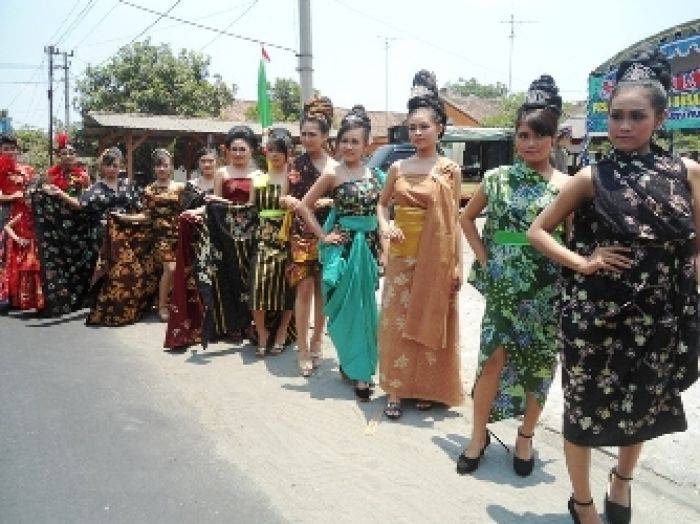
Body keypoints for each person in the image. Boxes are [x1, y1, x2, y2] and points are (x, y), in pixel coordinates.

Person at [528, 50, 699, 524]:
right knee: (583, 410)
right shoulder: (590, 176)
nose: (623, 126)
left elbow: (697, 244)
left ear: (660, 118)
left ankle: (621, 483)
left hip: (656, 317)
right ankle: (582, 502)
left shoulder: (687, 174)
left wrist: (687, 291)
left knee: (642, 404)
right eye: (616, 116)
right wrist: (584, 262)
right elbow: (537, 232)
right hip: (592, 316)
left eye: (636, 116)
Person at [456, 75, 570, 476]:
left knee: (540, 363)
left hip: (547, 289)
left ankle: (525, 437)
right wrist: (486, 260)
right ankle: (477, 434)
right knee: (491, 360)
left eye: (540, 135)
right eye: (523, 134)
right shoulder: (496, 178)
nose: (530, 143)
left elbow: (571, 240)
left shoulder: (568, 187)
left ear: (554, 139)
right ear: (515, 138)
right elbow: (466, 218)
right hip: (503, 284)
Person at [377, 70, 463, 419]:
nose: (417, 133)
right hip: (401, 255)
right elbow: (382, 205)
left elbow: (453, 221)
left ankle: (428, 388)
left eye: (423, 127)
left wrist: (457, 264)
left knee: (430, 319)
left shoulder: (448, 170)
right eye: (411, 128)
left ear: (439, 128)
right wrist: (386, 227)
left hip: (436, 258)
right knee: (396, 321)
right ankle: (395, 389)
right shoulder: (397, 167)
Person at [295, 106, 386, 393]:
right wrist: (323, 236)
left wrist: (385, 251)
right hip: (344, 250)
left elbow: (383, 214)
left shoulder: (378, 175)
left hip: (368, 250)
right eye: (344, 141)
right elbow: (303, 207)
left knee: (366, 310)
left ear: (366, 144)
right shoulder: (333, 174)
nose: (348, 146)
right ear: (337, 143)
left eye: (355, 142)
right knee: (346, 312)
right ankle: (358, 372)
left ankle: (356, 367)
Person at [86, 149, 180, 326]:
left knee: (164, 272)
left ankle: (169, 302)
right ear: (154, 169)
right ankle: (162, 307)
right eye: (158, 165)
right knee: (170, 269)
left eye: (165, 165)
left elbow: (187, 210)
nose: (161, 168)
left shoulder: (180, 188)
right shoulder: (148, 190)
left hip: (178, 235)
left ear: (171, 167)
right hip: (158, 237)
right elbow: (145, 215)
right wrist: (123, 218)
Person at [281, 96, 337, 372]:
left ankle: (317, 340)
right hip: (301, 234)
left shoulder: (335, 167)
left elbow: (343, 200)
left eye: (312, 134)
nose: (306, 139)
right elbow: (285, 198)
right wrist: (291, 202)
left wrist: (326, 203)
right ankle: (302, 348)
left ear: (326, 136)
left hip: (328, 233)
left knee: (322, 290)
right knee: (303, 289)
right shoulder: (296, 165)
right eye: (302, 134)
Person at [201, 126, 260, 347]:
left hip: (251, 235)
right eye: (233, 149)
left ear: (251, 150)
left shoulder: (258, 175)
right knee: (227, 277)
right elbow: (214, 203)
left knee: (249, 278)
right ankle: (231, 325)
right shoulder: (221, 173)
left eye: (242, 149)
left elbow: (255, 206)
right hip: (225, 236)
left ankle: (251, 323)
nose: (237, 153)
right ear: (227, 151)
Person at [32, 133, 94, 316]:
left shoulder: (83, 176)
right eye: (64, 152)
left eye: (71, 152)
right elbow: (39, 194)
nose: (68, 155)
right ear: (59, 155)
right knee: (58, 263)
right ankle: (60, 300)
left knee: (81, 263)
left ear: (76, 156)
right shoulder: (49, 175)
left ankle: (81, 299)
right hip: (56, 227)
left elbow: (87, 200)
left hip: (79, 226)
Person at [164, 146, 217, 350]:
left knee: (216, 281)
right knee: (195, 282)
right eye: (203, 161)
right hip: (195, 241)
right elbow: (184, 211)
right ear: (198, 164)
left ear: (216, 162)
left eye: (210, 161)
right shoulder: (190, 186)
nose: (207, 164)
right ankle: (195, 325)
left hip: (217, 240)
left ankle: (218, 326)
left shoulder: (221, 183)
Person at [249, 128, 295, 356]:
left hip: (286, 238)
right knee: (257, 286)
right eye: (271, 150)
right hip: (262, 239)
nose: (274, 154)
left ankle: (283, 330)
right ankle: (262, 332)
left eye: (279, 150)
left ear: (288, 153)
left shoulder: (292, 178)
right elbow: (249, 210)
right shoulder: (257, 178)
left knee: (288, 287)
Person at [0, 136, 41, 312]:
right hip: (6, 212)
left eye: (12, 148)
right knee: (6, 253)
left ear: (17, 150)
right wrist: (14, 196)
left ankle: (23, 296)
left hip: (27, 214)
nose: (10, 151)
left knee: (25, 256)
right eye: (5, 148)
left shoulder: (28, 170)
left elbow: (36, 189)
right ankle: (6, 295)